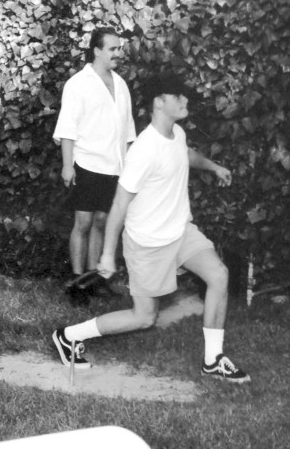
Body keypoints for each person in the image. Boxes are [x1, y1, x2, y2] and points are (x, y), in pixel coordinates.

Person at [52, 73, 250, 383]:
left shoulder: (177, 133)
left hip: (180, 231)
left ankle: (213, 359)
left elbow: (185, 154)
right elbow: (119, 205)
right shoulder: (143, 151)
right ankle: (68, 336)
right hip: (148, 242)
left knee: (219, 275)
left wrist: (213, 166)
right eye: (178, 96)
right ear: (159, 102)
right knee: (144, 318)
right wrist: (107, 254)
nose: (185, 100)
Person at [53, 28, 136, 295]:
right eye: (112, 49)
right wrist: (68, 166)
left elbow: (128, 131)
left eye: (119, 49)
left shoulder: (121, 84)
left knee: (102, 222)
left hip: (115, 167)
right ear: (97, 50)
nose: (118, 54)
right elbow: (67, 128)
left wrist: (131, 167)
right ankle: (77, 283)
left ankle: (94, 281)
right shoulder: (78, 83)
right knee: (84, 223)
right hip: (87, 164)